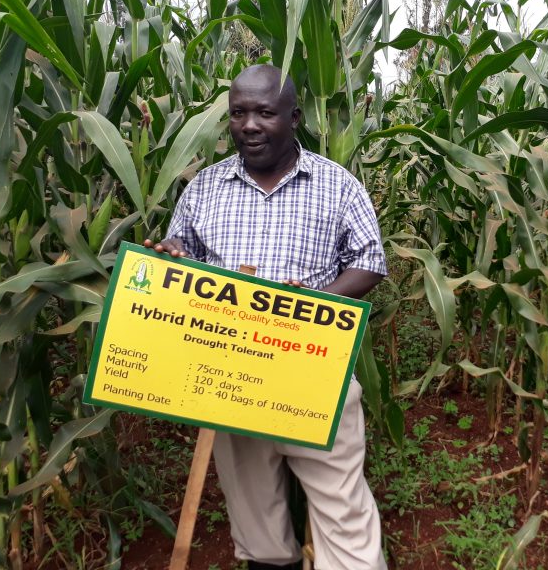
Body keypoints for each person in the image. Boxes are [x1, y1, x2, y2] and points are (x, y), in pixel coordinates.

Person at [144, 64, 387, 570]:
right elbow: (182, 252)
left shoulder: (336, 185)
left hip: (313, 373)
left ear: (294, 117)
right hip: (228, 377)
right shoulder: (205, 187)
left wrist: (315, 303)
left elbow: (370, 263)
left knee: (343, 511)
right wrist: (170, 254)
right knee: (256, 522)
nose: (249, 124)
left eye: (264, 113)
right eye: (238, 113)